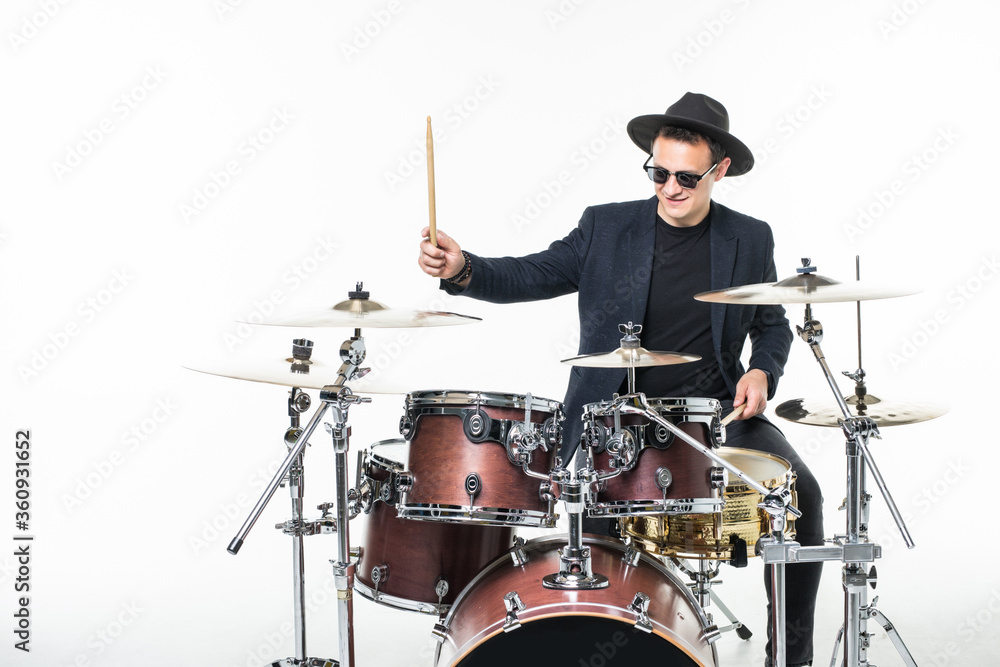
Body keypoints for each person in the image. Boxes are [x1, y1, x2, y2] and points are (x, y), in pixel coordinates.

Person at [417, 92, 823, 667]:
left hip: (713, 420)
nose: (670, 188)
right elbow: (534, 272)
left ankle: (791, 656)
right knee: (601, 551)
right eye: (659, 173)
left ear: (720, 170)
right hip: (612, 424)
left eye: (686, 176)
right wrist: (464, 269)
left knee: (801, 495)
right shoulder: (606, 227)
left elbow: (771, 322)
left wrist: (763, 369)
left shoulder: (749, 238)